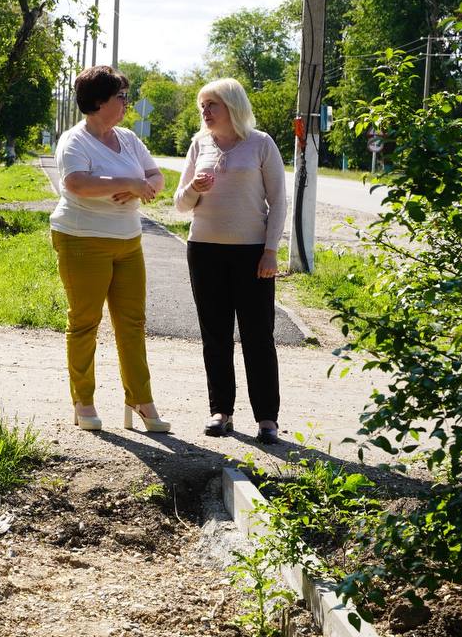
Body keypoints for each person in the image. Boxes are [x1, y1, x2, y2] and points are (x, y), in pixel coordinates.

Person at [50, 65, 170, 433]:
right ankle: (83, 401)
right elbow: (76, 184)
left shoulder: (129, 139)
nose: (126, 102)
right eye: (121, 96)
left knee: (132, 324)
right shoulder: (75, 141)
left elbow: (157, 176)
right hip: (82, 240)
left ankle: (140, 400)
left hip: (128, 241)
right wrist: (128, 181)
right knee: (85, 323)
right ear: (99, 101)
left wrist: (143, 184)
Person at [174, 78, 287, 444]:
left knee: (258, 335)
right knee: (215, 335)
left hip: (252, 252)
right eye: (202, 106)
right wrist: (195, 189)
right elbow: (180, 203)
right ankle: (221, 410)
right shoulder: (199, 144)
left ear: (232, 107)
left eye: (212, 105)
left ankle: (267, 418)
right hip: (204, 249)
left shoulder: (261, 143)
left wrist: (270, 249)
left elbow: (279, 201)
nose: (205, 112)